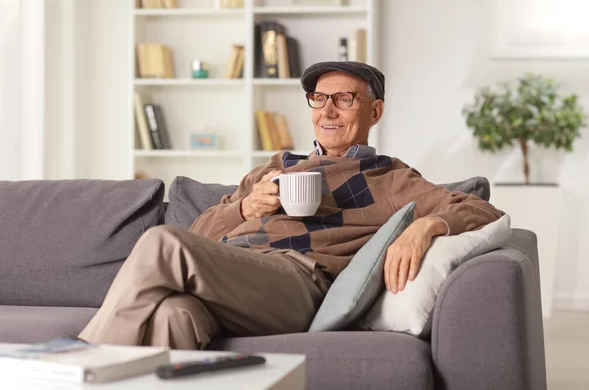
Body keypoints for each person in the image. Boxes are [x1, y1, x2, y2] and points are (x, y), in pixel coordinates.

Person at [79, 61, 502, 350]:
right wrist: (245, 210)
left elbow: (483, 210)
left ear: (375, 111)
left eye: (344, 99)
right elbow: (198, 236)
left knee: (160, 243)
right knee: (174, 314)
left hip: (297, 282)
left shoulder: (389, 177)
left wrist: (423, 228)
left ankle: (73, 369)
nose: (328, 110)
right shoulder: (276, 167)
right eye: (319, 98)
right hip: (232, 274)